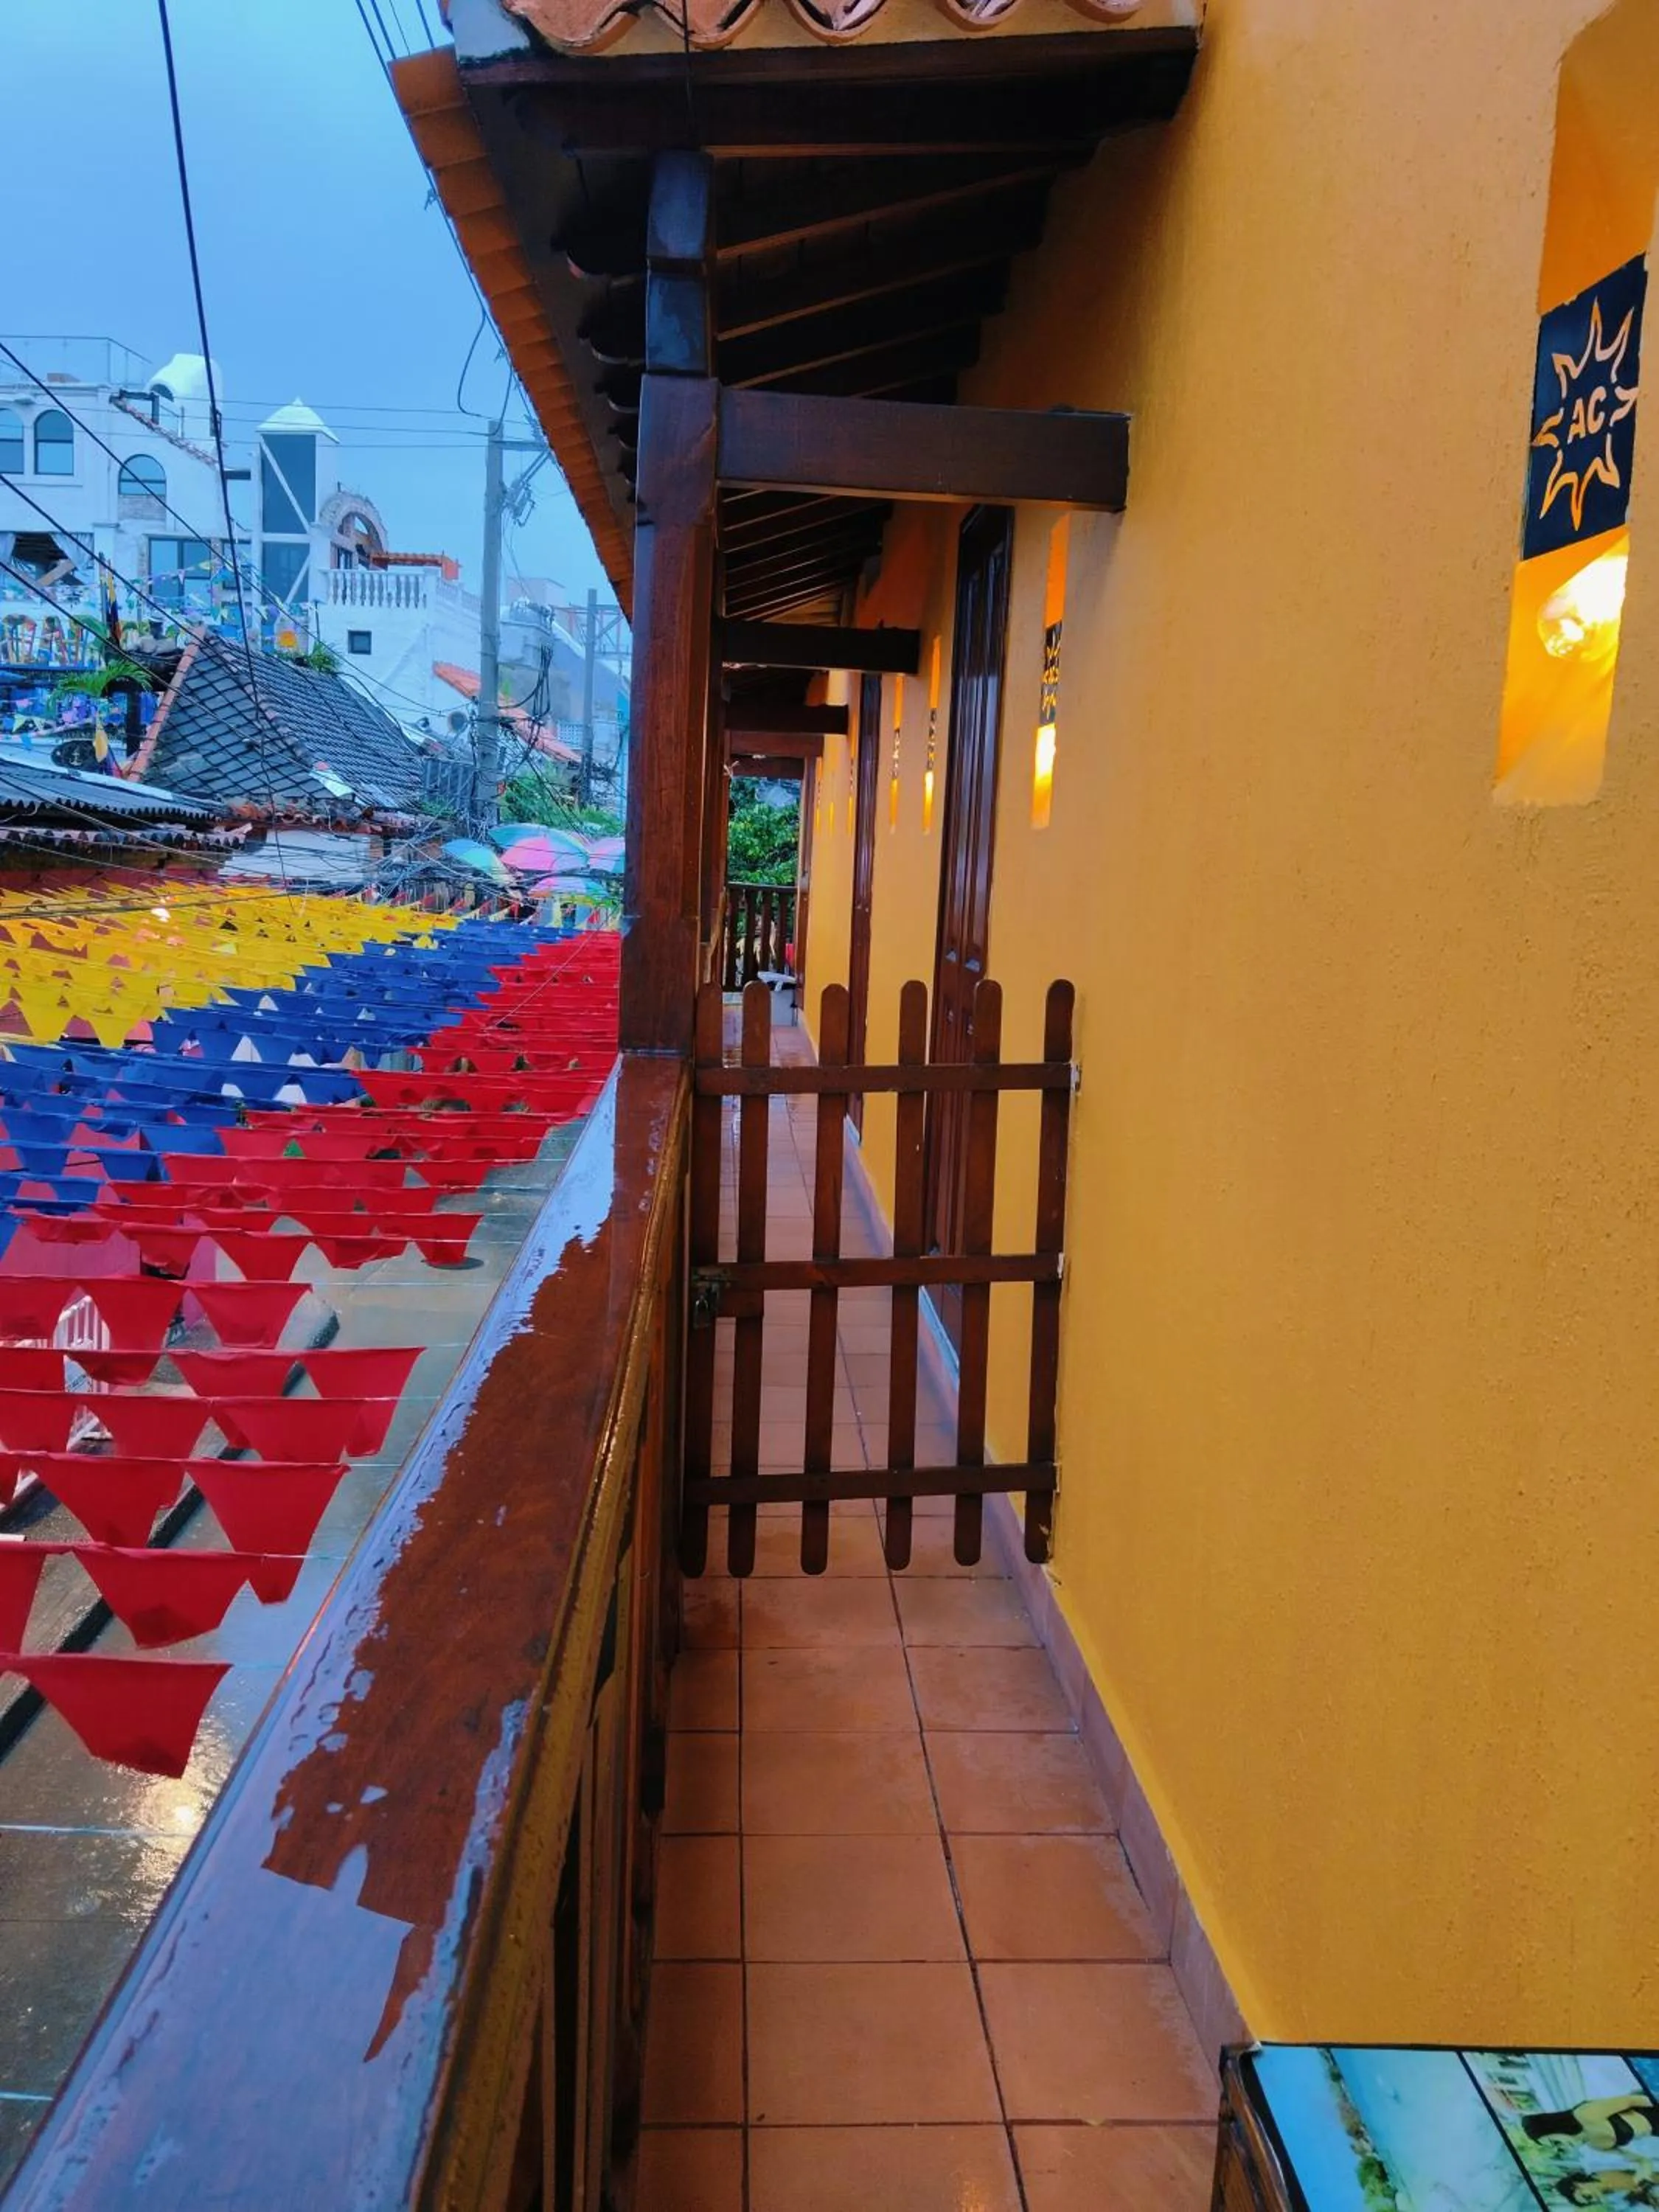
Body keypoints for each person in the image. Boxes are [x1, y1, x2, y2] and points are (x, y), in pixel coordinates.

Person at [1525, 2093, 1659, 2151]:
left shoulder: (1584, 2114)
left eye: (1555, 2142)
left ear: (1554, 2128)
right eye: (1557, 2148)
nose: (1562, 2147)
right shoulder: (1593, 2144)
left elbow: (1631, 2100)